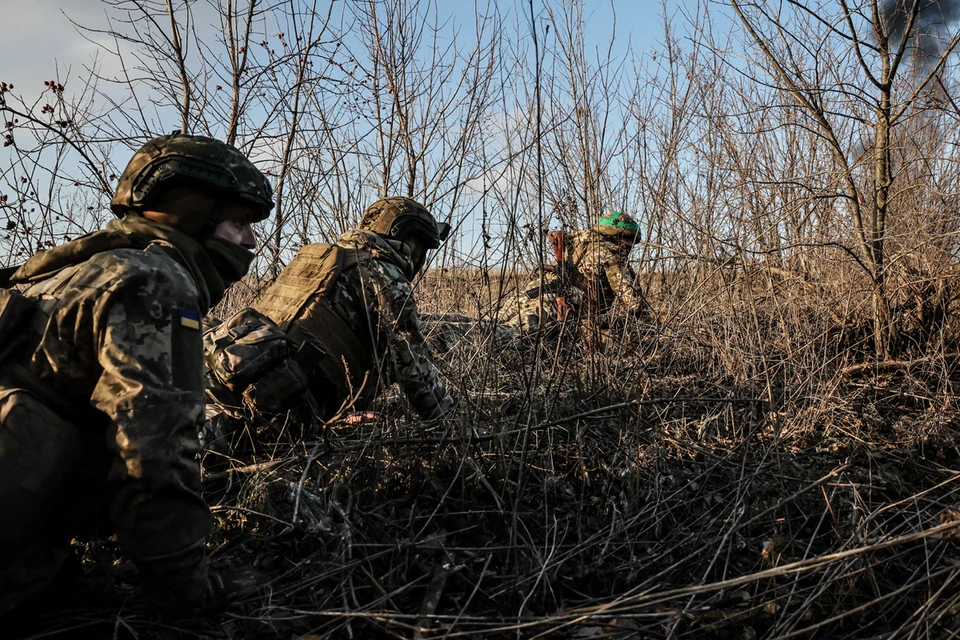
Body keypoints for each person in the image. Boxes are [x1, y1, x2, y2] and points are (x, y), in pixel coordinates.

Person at [0, 131, 272, 618]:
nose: (251, 241)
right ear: (189, 211)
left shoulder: (62, 271)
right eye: (239, 223)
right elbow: (153, 454)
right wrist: (185, 592)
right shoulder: (154, 282)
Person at [204, 196, 455, 435]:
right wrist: (454, 427)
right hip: (280, 407)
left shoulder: (319, 257)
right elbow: (413, 367)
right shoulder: (385, 276)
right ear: (410, 241)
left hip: (226, 377)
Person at [501, 211, 646, 333]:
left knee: (489, 322)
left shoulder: (576, 242)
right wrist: (648, 327)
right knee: (505, 335)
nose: (630, 246)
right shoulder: (612, 254)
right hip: (554, 305)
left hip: (528, 294)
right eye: (628, 239)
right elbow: (634, 302)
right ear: (616, 235)